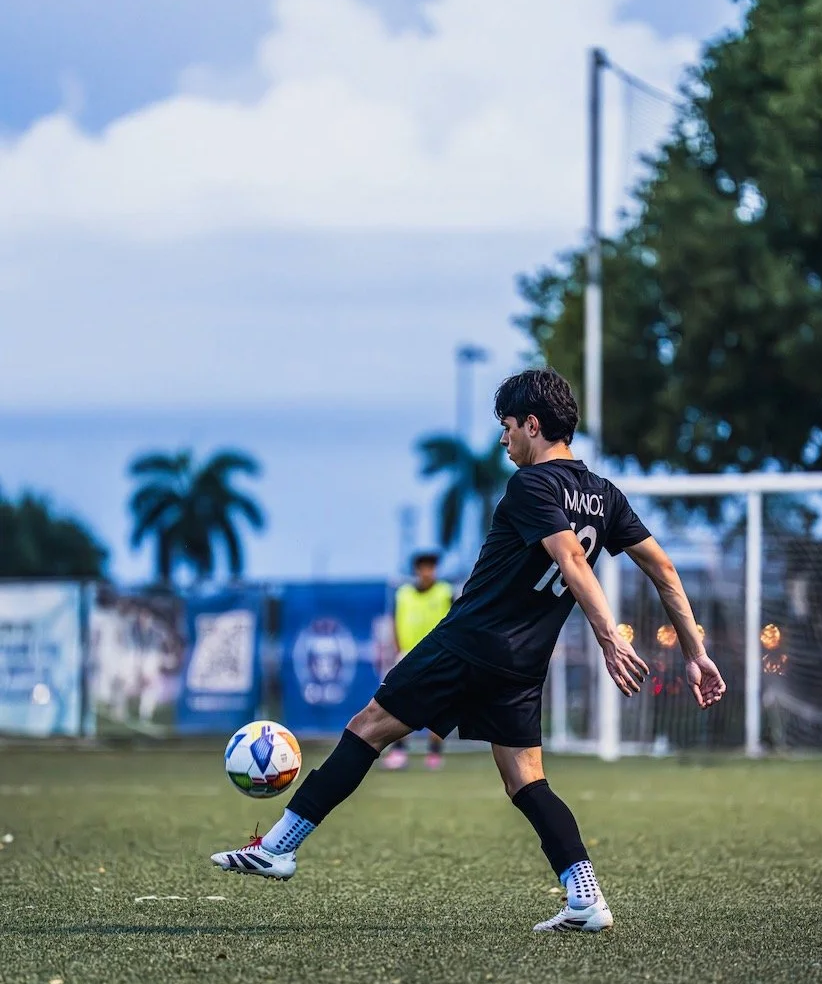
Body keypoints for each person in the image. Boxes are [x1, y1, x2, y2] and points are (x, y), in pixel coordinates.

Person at [212, 369, 726, 933]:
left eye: (506, 427)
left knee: (369, 726)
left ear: (532, 425)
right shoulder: (605, 497)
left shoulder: (533, 485)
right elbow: (664, 567)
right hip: (525, 663)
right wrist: (697, 652)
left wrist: (608, 637)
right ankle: (585, 897)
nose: (503, 440)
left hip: (470, 641)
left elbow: (570, 560)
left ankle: (279, 847)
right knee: (526, 780)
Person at [385, 551, 453, 771]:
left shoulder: (444, 592)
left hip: (438, 657)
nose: (427, 572)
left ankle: (434, 753)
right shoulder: (403, 594)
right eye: (423, 567)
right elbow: (395, 622)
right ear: (416, 570)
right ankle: (399, 751)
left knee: (439, 707)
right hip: (407, 656)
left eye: (431, 567)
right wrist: (398, 651)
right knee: (399, 706)